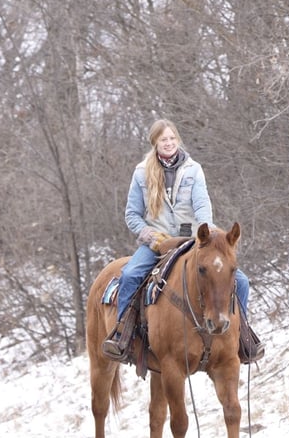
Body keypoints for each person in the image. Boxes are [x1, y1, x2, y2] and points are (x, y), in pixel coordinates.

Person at [102, 118, 264, 364]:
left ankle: (243, 336)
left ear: (177, 140)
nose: (168, 144)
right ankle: (123, 334)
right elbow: (131, 215)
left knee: (240, 280)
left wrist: (205, 234)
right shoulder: (141, 173)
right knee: (131, 275)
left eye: (171, 139)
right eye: (163, 140)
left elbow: (201, 205)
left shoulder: (193, 170)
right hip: (157, 242)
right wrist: (150, 236)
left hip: (191, 239)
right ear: (155, 143)